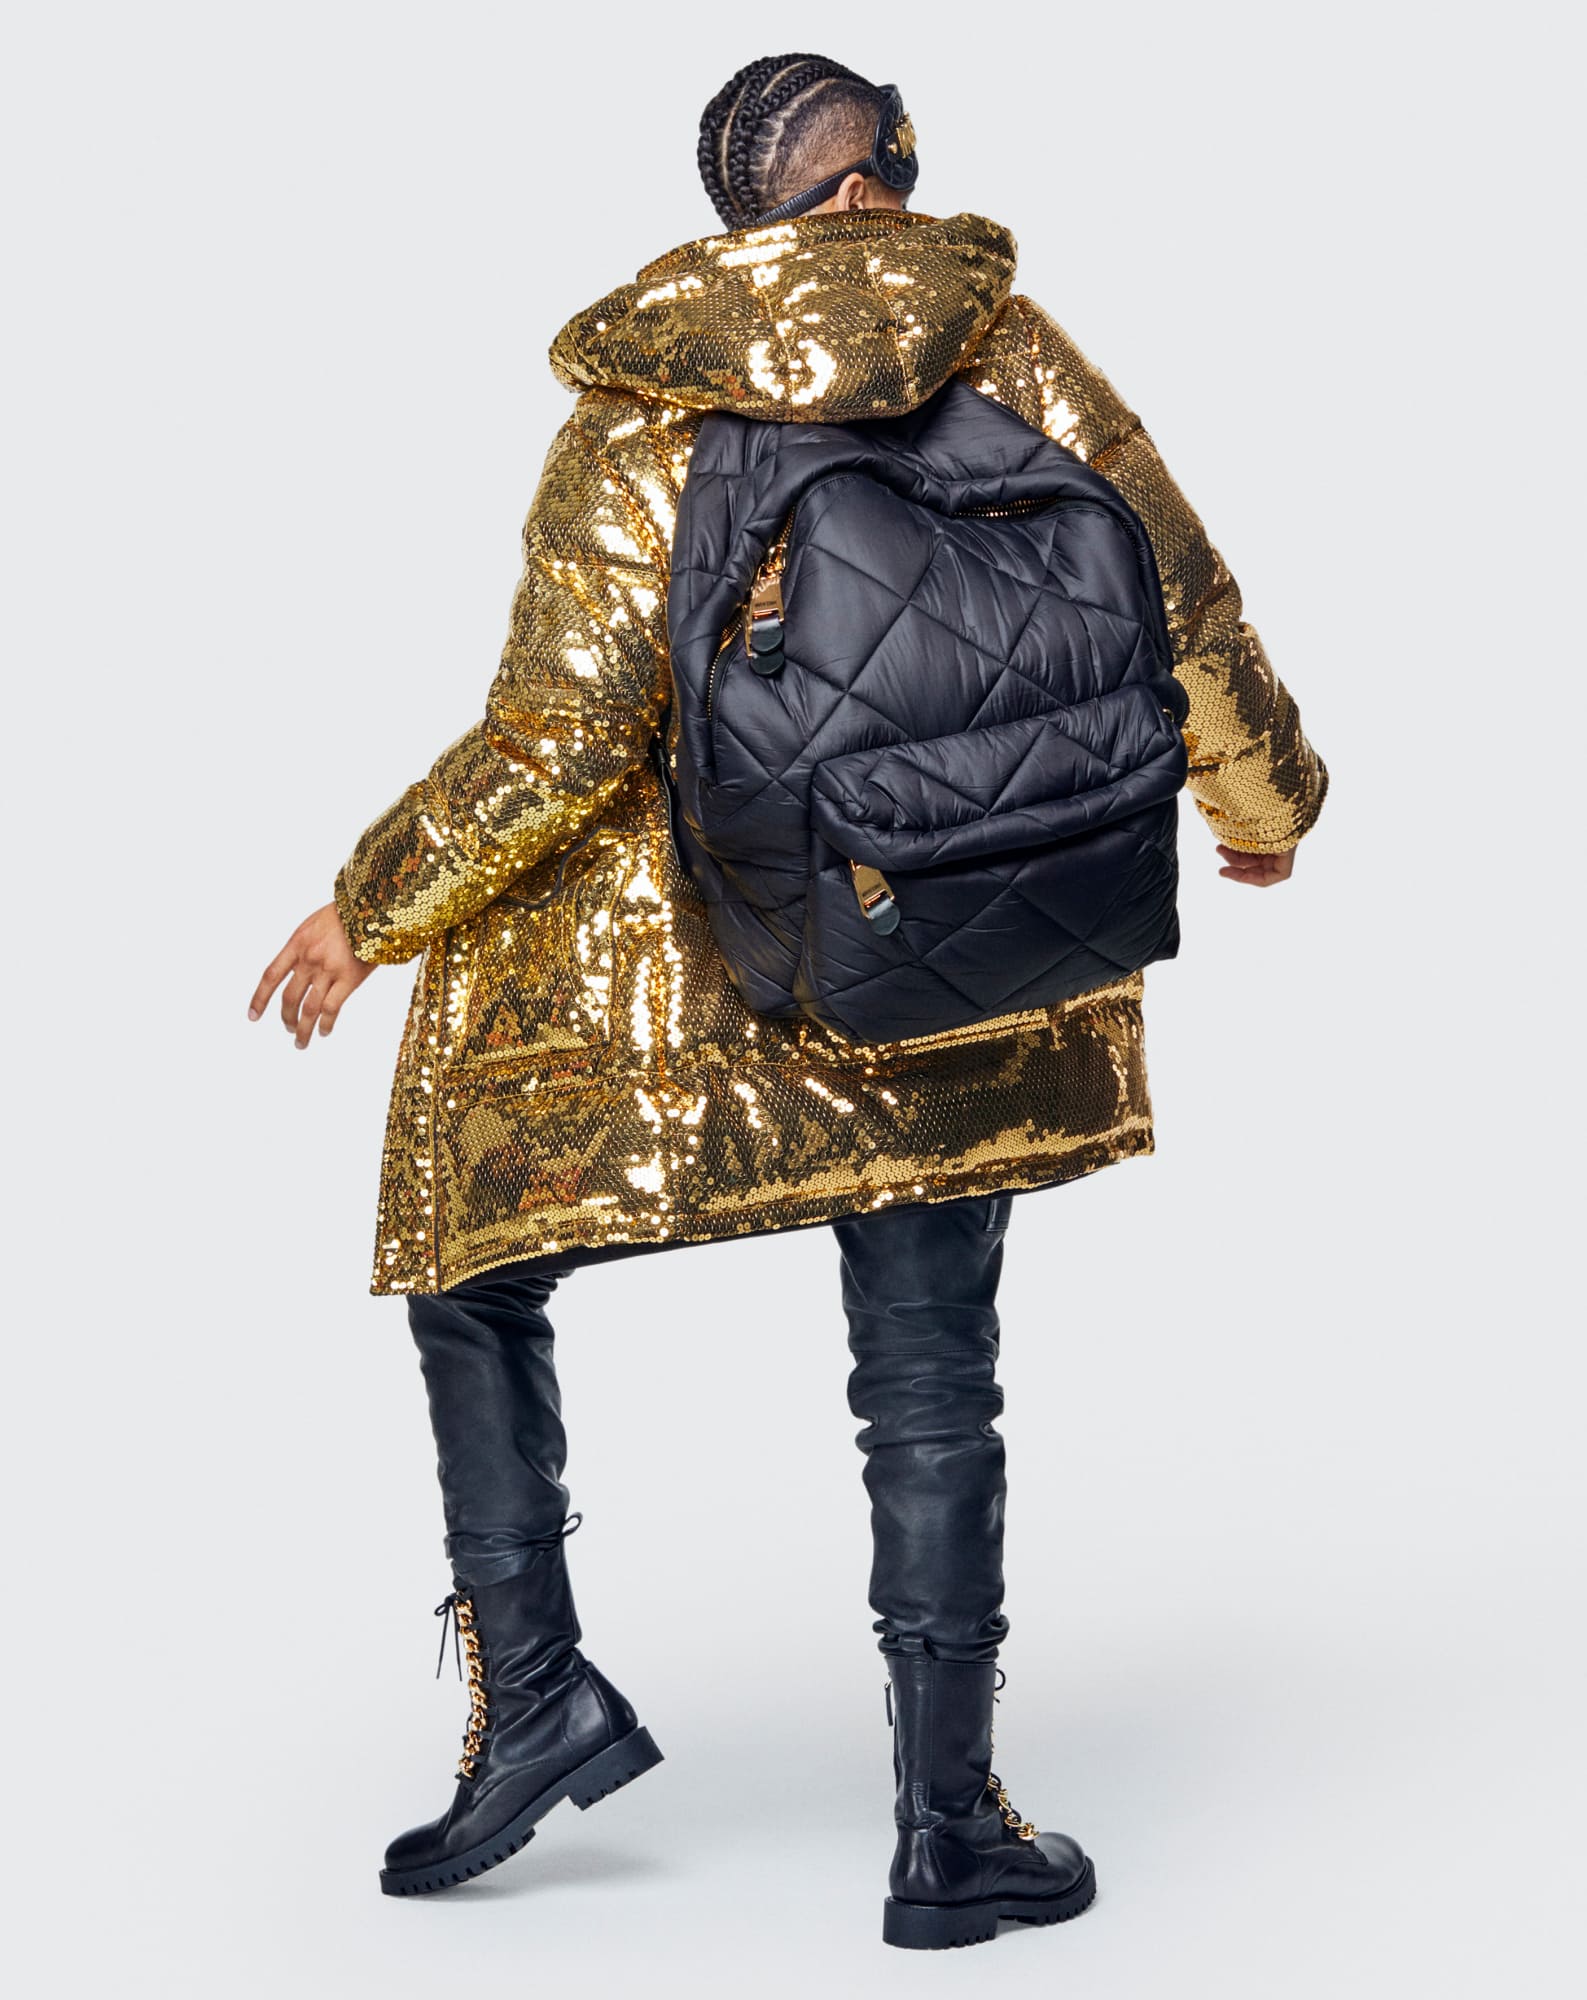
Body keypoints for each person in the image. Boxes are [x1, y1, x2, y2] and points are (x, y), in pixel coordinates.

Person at [248, 53, 1327, 1950]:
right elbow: (1182, 595)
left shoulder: (642, 404)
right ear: (881, 177)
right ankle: (951, 1829)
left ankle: (534, 1701)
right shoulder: (1011, 342)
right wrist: (1266, 808)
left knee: (464, 1251)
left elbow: (562, 737)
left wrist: (373, 904)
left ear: (746, 206)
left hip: (722, 972)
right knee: (932, 1373)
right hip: (967, 930)